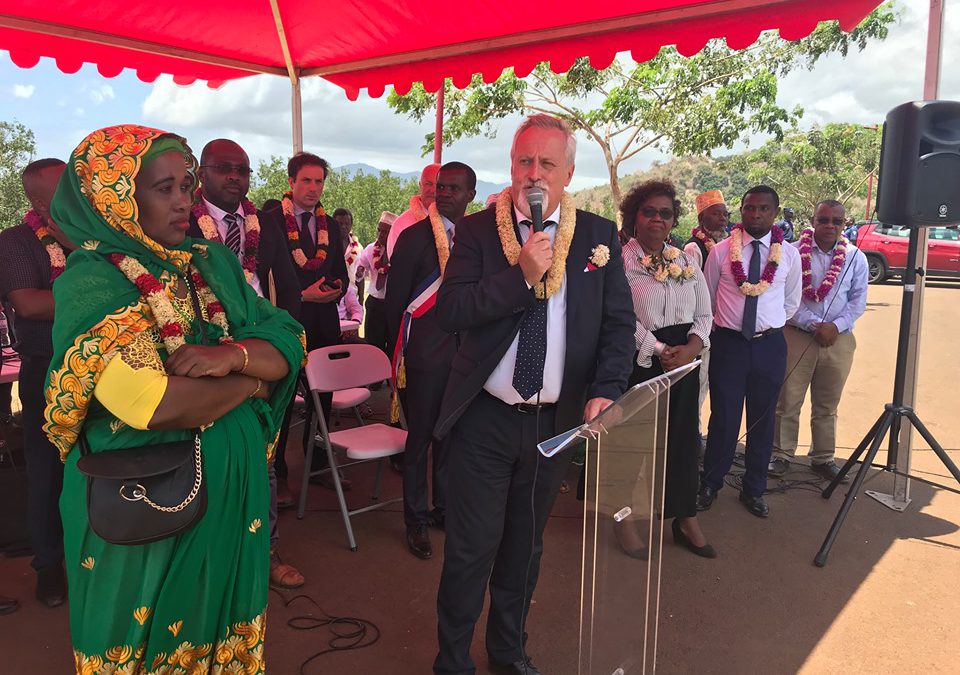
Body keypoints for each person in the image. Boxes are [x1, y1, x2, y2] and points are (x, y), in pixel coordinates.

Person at [45, 125, 304, 672]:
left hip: (231, 497)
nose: (186, 200)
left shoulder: (211, 264)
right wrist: (254, 379)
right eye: (165, 189)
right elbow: (154, 404)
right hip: (146, 508)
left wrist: (229, 356)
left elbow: (285, 336)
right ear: (115, 199)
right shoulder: (93, 284)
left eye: (186, 185)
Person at [432, 115, 634, 675]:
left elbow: (618, 325)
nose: (534, 173)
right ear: (512, 168)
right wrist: (519, 275)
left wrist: (608, 389)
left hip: (555, 425)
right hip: (486, 421)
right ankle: (451, 663)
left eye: (547, 163)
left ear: (568, 172)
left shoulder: (596, 236)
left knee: (524, 552)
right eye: (525, 161)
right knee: (471, 553)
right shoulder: (475, 232)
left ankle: (507, 652)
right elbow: (450, 312)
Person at [188, 138, 306, 590]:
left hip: (261, 354)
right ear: (203, 173)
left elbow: (287, 286)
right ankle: (213, 561)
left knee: (264, 457)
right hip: (204, 357)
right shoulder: (183, 225)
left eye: (242, 169)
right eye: (223, 168)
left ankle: (267, 550)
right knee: (210, 460)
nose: (235, 177)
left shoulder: (265, 224)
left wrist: (286, 342)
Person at [619, 180, 715, 558]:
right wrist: (658, 349)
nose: (657, 219)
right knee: (633, 444)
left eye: (665, 213)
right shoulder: (618, 259)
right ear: (634, 216)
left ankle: (684, 516)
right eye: (649, 211)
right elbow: (618, 316)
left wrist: (691, 348)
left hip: (684, 364)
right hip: (640, 362)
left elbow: (704, 312)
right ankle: (622, 516)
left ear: (674, 219)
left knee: (682, 441)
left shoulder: (686, 260)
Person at [386, 161, 477, 560]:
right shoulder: (413, 237)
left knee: (452, 438)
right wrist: (402, 352)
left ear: (470, 195)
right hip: (424, 355)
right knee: (420, 440)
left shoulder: (477, 238)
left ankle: (443, 508)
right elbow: (395, 304)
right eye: (440, 187)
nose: (443, 195)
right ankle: (415, 520)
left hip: (466, 355)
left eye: (454, 189)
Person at [698, 185, 802, 518]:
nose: (755, 214)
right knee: (724, 418)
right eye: (748, 208)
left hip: (769, 345)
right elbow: (708, 297)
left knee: (762, 419)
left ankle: (754, 488)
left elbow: (791, 302)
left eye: (762, 209)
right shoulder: (721, 252)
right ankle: (711, 482)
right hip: (729, 345)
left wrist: (767, 328)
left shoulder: (789, 255)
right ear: (741, 210)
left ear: (774, 212)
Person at [0, 158, 70, 608]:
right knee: (47, 471)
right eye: (66, 191)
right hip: (47, 371)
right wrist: (98, 297)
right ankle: (49, 565)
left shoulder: (93, 238)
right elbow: (28, 304)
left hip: (108, 368)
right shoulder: (15, 242)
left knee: (97, 464)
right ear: (39, 202)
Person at [264, 152, 350, 489]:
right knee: (282, 400)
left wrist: (336, 289)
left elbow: (339, 272)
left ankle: (316, 461)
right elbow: (265, 278)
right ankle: (278, 469)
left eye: (319, 181)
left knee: (322, 400)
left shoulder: (329, 224)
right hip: (286, 324)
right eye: (306, 180)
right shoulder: (269, 221)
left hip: (323, 324)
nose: (314, 188)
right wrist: (302, 296)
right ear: (291, 182)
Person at [771, 200, 868, 481]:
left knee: (827, 404)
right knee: (788, 399)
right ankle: (781, 454)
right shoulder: (791, 253)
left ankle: (823, 457)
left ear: (844, 224)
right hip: (798, 335)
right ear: (813, 220)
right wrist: (814, 324)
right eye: (823, 220)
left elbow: (858, 301)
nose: (829, 226)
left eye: (836, 222)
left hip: (838, 339)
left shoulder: (855, 257)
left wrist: (834, 327)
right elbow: (787, 297)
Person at [684, 189, 730, 447]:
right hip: (702, 329)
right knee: (699, 384)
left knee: (714, 383)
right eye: (716, 213)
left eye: (725, 214)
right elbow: (691, 289)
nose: (723, 218)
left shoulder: (728, 246)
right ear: (702, 217)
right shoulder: (694, 247)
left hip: (722, 329)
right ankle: (693, 437)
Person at [357, 211, 397, 356]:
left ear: (393, 233)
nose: (380, 234)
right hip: (374, 304)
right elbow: (360, 271)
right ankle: (374, 377)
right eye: (379, 230)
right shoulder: (369, 250)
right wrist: (359, 273)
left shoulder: (399, 251)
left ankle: (391, 378)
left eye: (385, 232)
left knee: (392, 346)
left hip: (393, 305)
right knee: (373, 347)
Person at [387, 163, 441, 257]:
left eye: (438, 185)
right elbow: (396, 264)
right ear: (420, 185)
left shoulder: (454, 221)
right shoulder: (401, 225)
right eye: (428, 184)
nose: (433, 190)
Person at [334, 207, 363, 295]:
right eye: (340, 223)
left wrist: (361, 301)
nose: (343, 227)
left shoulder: (358, 248)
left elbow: (360, 278)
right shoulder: (326, 246)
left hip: (352, 295)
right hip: (332, 294)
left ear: (351, 225)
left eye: (347, 223)